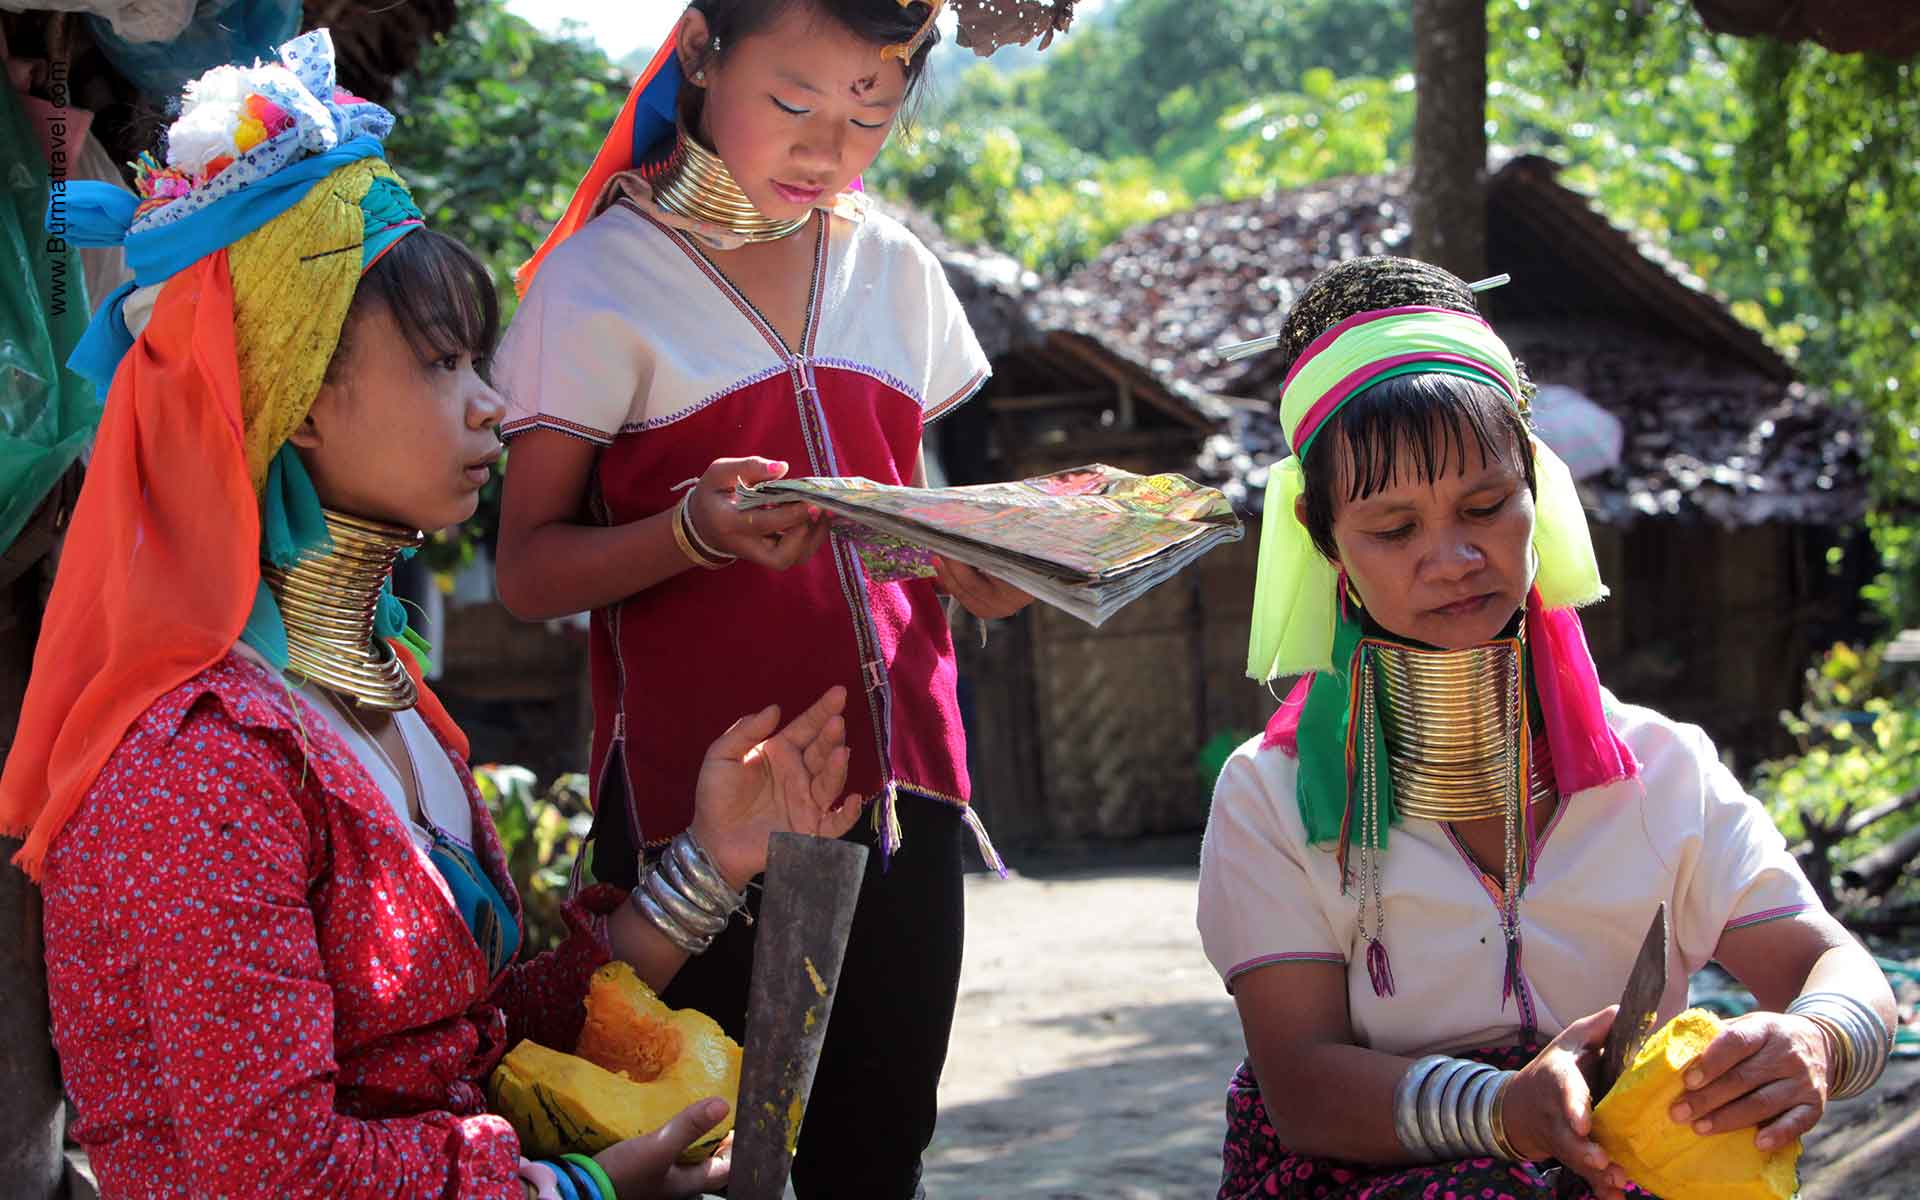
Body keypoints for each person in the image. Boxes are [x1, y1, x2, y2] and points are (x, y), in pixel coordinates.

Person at [0, 31, 861, 1199]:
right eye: (447, 364)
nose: (494, 408)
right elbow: (274, 1173)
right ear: (298, 393)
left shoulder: (383, 698)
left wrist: (712, 861)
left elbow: (476, 1036)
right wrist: (582, 1192)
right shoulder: (201, 766)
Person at [1196, 256, 1896, 1200]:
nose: (1452, 558)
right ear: (1326, 542)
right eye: (1392, 529)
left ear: (1536, 490)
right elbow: (1304, 1084)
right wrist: (1503, 1112)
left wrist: (1816, 1037)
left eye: (1485, 506)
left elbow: (1833, 964)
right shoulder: (1269, 797)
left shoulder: (1662, 770)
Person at [491, 2, 1035, 1194]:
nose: (829, 148)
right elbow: (525, 568)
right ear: (698, 51)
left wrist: (983, 569)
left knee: (877, 1152)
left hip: (901, 793)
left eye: (870, 111)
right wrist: (692, 531)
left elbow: (911, 516)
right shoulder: (597, 282)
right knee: (697, 1150)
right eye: (793, 103)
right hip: (705, 806)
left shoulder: (893, 265)